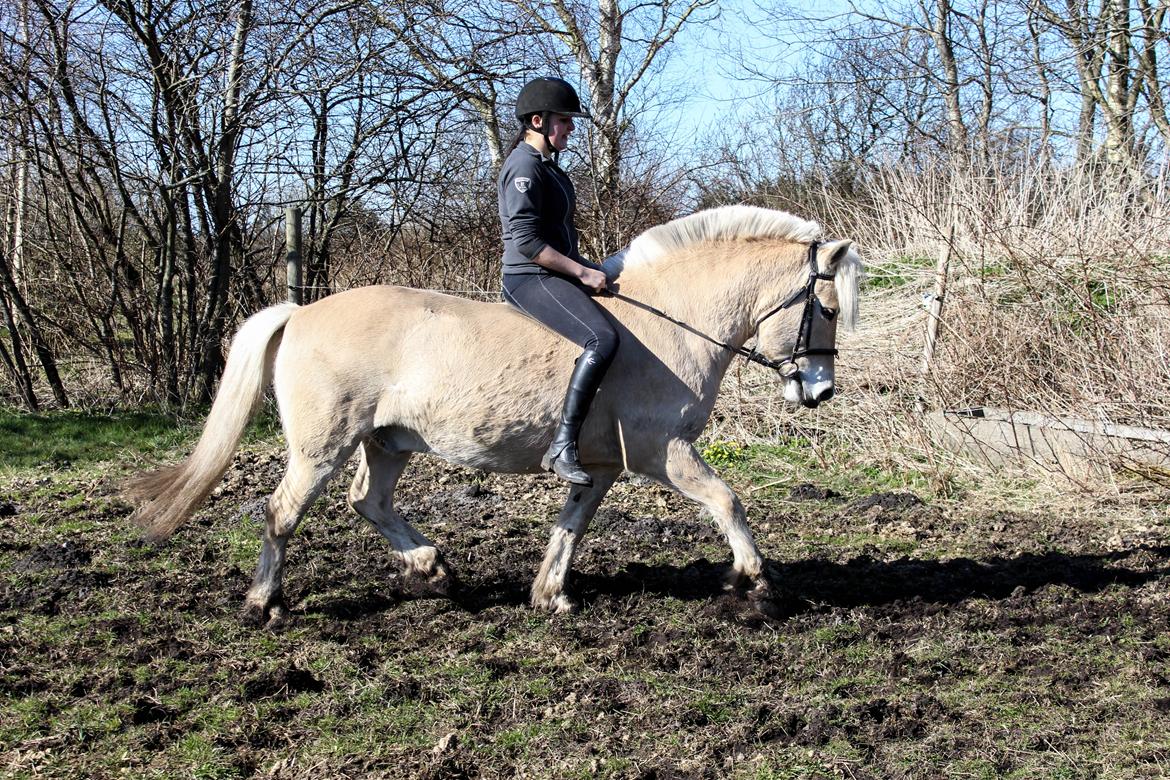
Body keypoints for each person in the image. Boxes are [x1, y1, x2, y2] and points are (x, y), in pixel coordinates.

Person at [498, 77, 619, 487]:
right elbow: (529, 243)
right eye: (565, 120)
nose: (570, 128)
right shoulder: (524, 167)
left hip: (552, 272)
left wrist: (594, 269)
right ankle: (563, 445)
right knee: (602, 339)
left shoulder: (547, 168)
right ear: (538, 120)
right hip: (529, 277)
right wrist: (582, 273)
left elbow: (561, 238)